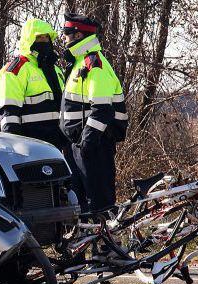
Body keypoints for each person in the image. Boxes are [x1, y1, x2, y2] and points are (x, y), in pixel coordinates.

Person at [59, 13, 128, 215]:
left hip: (94, 147)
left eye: (66, 33)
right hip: (79, 146)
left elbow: (102, 111)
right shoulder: (79, 63)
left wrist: (86, 144)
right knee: (82, 204)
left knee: (100, 203)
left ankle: (108, 246)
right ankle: (88, 243)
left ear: (78, 35)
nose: (64, 38)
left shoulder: (95, 66)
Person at [0, 18, 68, 151]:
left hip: (57, 144)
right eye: (39, 38)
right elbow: (9, 112)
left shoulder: (55, 70)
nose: (44, 41)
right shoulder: (17, 69)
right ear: (29, 39)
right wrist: (15, 147)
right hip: (30, 145)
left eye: (47, 37)